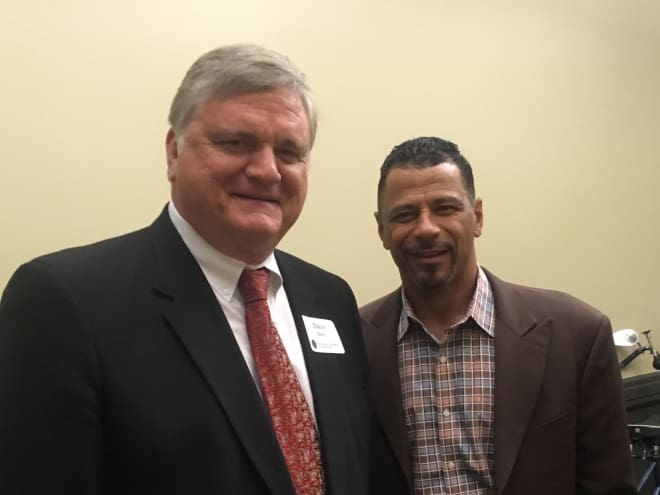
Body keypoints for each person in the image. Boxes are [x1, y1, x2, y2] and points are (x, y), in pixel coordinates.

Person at [0, 44, 369, 495]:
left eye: (290, 152)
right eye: (237, 143)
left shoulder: (331, 299)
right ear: (174, 152)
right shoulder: (64, 303)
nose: (268, 170)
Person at [361, 136, 635, 495]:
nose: (426, 228)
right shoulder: (354, 344)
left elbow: (609, 486)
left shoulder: (577, 334)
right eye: (405, 214)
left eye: (445, 208)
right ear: (382, 229)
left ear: (477, 216)